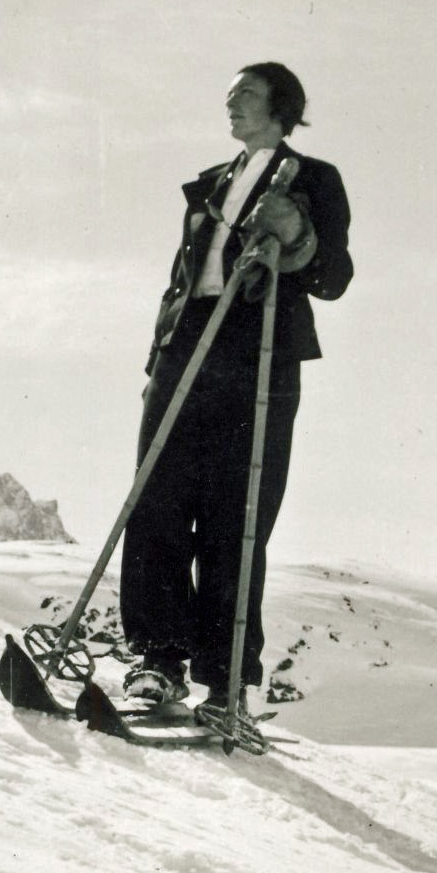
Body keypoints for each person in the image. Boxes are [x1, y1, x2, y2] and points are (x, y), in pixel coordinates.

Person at [118, 61, 353, 724]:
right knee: (156, 499)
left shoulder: (313, 178)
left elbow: (334, 276)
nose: (230, 105)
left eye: (245, 94)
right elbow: (181, 278)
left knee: (236, 512)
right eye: (228, 96)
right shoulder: (211, 185)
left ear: (281, 105)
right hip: (185, 348)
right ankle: (158, 661)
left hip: (258, 351)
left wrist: (297, 235)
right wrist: (157, 360)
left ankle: (225, 681)